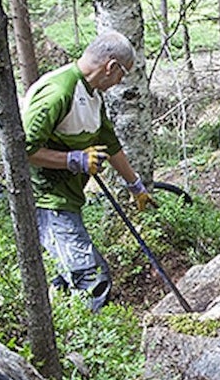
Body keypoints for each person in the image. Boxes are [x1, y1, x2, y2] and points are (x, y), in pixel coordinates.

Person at [22, 31, 155, 312]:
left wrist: (135, 186)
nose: (119, 82)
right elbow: (22, 150)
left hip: (67, 199)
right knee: (91, 277)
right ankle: (91, 334)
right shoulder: (59, 92)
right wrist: (75, 160)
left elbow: (110, 143)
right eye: (122, 74)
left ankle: (63, 325)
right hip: (47, 203)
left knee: (65, 277)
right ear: (111, 67)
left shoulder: (92, 94)